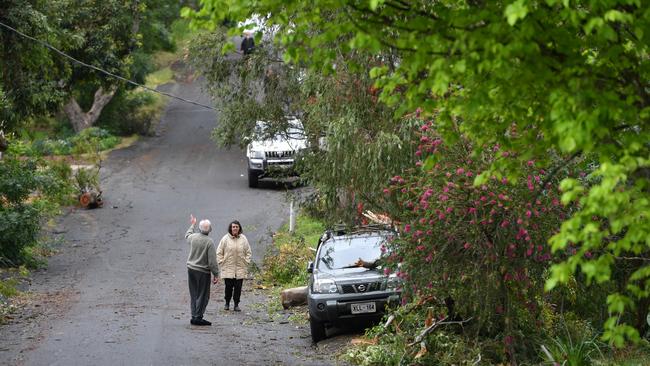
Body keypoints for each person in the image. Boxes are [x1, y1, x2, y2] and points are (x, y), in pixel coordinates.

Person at [185, 214, 219, 326]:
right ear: (210, 230)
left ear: (199, 229)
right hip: (203, 272)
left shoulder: (193, 237)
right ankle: (198, 317)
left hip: (191, 269)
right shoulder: (209, 242)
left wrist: (192, 224)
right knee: (203, 295)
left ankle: (194, 315)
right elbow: (212, 261)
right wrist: (216, 274)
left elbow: (187, 235)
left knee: (194, 293)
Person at [216, 220, 252, 312]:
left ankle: (236, 304)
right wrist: (221, 262)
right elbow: (219, 252)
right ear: (230, 228)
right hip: (228, 268)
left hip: (240, 268)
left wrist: (246, 262)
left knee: (238, 288)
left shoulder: (243, 239)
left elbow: (248, 252)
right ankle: (227, 303)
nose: (235, 228)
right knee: (228, 287)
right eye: (233, 227)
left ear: (239, 228)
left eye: (236, 227)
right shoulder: (225, 239)